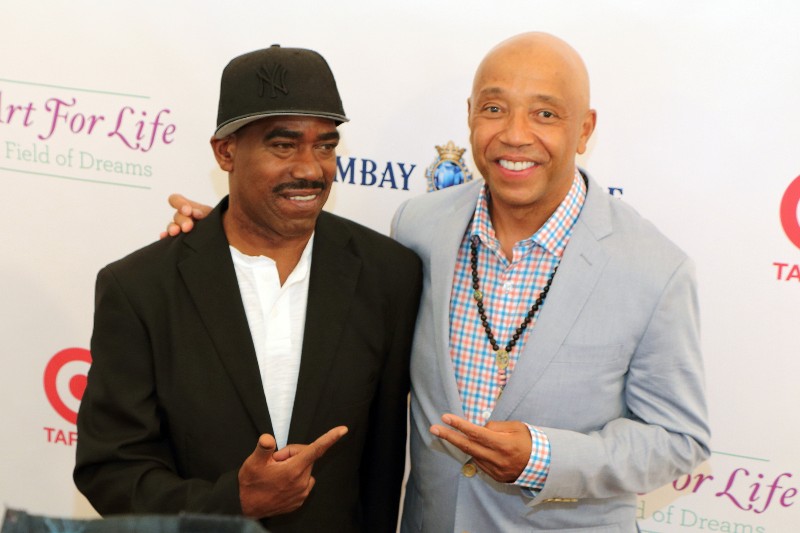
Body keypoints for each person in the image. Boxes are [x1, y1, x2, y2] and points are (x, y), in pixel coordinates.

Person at [166, 33, 710, 532]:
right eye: (494, 109)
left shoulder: (653, 269)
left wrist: (545, 458)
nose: (515, 135)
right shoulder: (420, 227)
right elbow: (328, 274)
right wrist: (223, 236)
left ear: (584, 129)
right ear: (470, 116)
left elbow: (680, 439)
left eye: (545, 113)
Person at [75, 45, 422, 533]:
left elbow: (381, 467)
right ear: (226, 151)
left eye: (325, 146)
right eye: (283, 145)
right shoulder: (140, 288)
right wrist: (232, 502)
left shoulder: (388, 274)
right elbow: (110, 470)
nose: (311, 168)